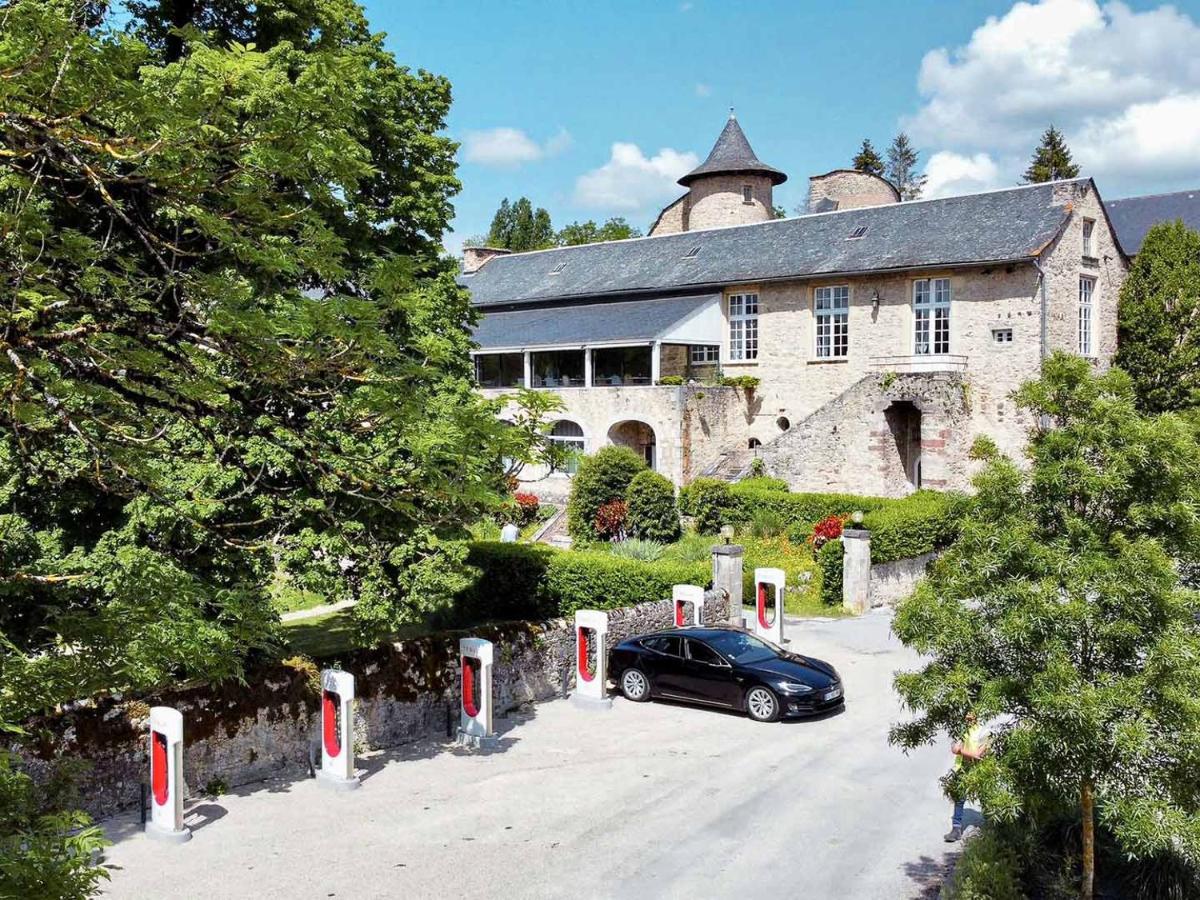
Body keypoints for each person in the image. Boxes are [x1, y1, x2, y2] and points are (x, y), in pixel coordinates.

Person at [945, 712, 988, 842]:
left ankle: (992, 824)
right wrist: (964, 752)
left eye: (970, 716)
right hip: (962, 768)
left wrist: (961, 750)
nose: (968, 719)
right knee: (959, 797)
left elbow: (978, 754)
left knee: (984, 795)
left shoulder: (984, 732)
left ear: (976, 716)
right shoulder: (961, 730)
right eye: (966, 717)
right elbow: (954, 748)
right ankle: (956, 829)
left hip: (978, 769)